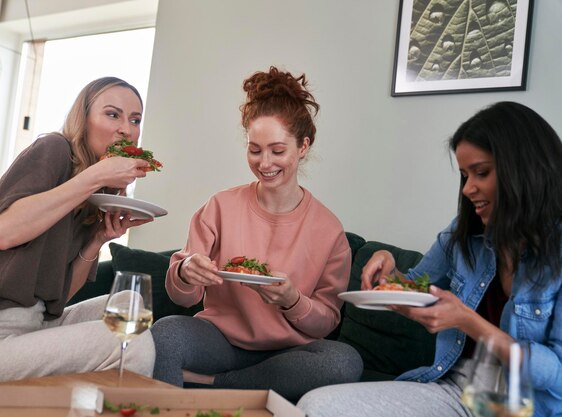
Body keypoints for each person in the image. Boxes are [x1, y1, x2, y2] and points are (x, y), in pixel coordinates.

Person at [297, 101, 562, 417]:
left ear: (526, 169)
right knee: (316, 406)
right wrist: (388, 272)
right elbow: (414, 289)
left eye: (482, 172)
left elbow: (557, 376)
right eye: (465, 175)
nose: (468, 189)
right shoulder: (465, 234)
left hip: (533, 407)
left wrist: (468, 321)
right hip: (459, 390)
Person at [150, 66, 362, 402]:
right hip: (219, 340)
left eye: (278, 151)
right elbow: (183, 298)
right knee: (165, 334)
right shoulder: (219, 207)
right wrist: (186, 272)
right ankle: (218, 391)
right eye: (255, 149)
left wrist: (292, 301)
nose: (265, 163)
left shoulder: (329, 230)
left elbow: (327, 321)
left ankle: (216, 386)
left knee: (343, 362)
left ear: (303, 147)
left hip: (289, 353)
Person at [0, 77, 157, 383]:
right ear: (84, 119)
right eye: (112, 114)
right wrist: (92, 178)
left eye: (135, 120)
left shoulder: (95, 195)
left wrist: (97, 240)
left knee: (129, 306)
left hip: (33, 324)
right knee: (132, 341)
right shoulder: (54, 149)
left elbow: (60, 297)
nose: (126, 129)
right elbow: (4, 232)